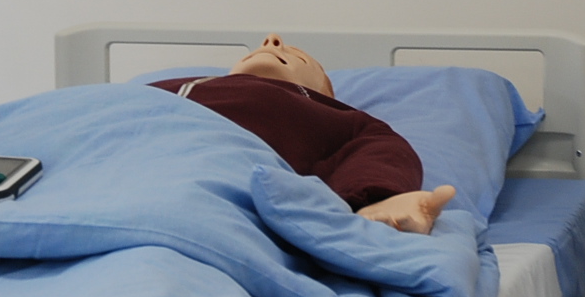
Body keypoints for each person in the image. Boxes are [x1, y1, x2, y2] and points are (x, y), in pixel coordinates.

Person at [152, 35, 457, 233]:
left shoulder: (339, 118)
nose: (271, 40)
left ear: (325, 93)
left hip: (217, 197)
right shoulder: (155, 90)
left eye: (298, 56)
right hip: (139, 172)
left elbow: (382, 154)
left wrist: (380, 199)